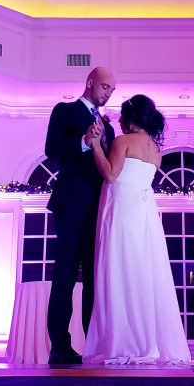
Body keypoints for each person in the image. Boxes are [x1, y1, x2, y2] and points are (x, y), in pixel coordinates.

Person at [82, 94, 194, 365]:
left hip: (123, 210)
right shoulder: (155, 149)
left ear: (131, 117)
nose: (119, 120)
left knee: (119, 269)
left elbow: (110, 174)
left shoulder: (123, 141)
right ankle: (147, 337)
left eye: (122, 115)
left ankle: (123, 340)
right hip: (145, 214)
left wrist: (95, 145)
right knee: (144, 272)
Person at [44, 67, 116, 365]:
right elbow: (51, 149)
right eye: (105, 87)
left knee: (94, 281)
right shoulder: (65, 110)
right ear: (90, 82)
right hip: (71, 205)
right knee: (65, 275)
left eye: (112, 90)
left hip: (98, 210)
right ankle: (60, 347)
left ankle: (93, 345)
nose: (108, 93)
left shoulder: (109, 128)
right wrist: (85, 142)